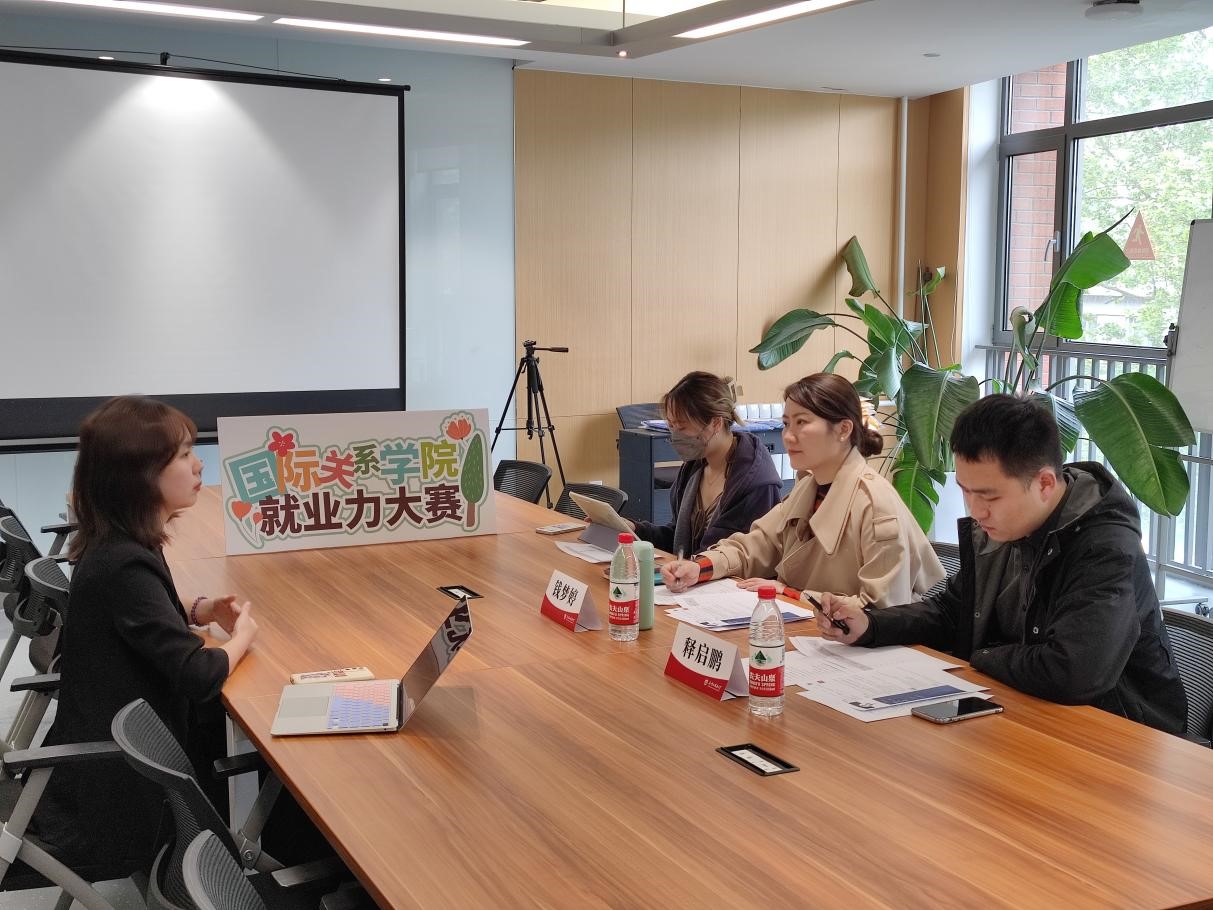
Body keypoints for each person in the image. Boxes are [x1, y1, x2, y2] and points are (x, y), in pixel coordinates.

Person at [815, 394, 1188, 735]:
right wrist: (871, 625)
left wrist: (983, 654)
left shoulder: (1104, 546)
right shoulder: (1006, 526)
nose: (976, 511)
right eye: (966, 492)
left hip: (1119, 732)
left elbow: (1074, 672)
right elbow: (952, 612)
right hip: (1025, 710)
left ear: (1044, 484)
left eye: (989, 497)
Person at [31, 396, 260, 879]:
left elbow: (140, 618)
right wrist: (243, 635)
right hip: (126, 794)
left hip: (122, 760)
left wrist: (198, 610)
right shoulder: (124, 564)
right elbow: (198, 674)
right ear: (139, 476)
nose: (199, 464)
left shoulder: (116, 545)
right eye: (184, 455)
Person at [661, 373, 943, 608]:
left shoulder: (876, 505)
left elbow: (881, 609)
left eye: (802, 422)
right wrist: (700, 567)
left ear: (843, 429)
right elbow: (756, 545)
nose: (788, 435)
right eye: (786, 424)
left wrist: (793, 594)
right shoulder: (810, 486)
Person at [630, 372, 782, 556]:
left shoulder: (755, 483)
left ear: (715, 423)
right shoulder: (694, 468)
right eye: (671, 426)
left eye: (682, 426)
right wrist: (636, 530)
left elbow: (735, 557)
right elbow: (679, 540)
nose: (675, 435)